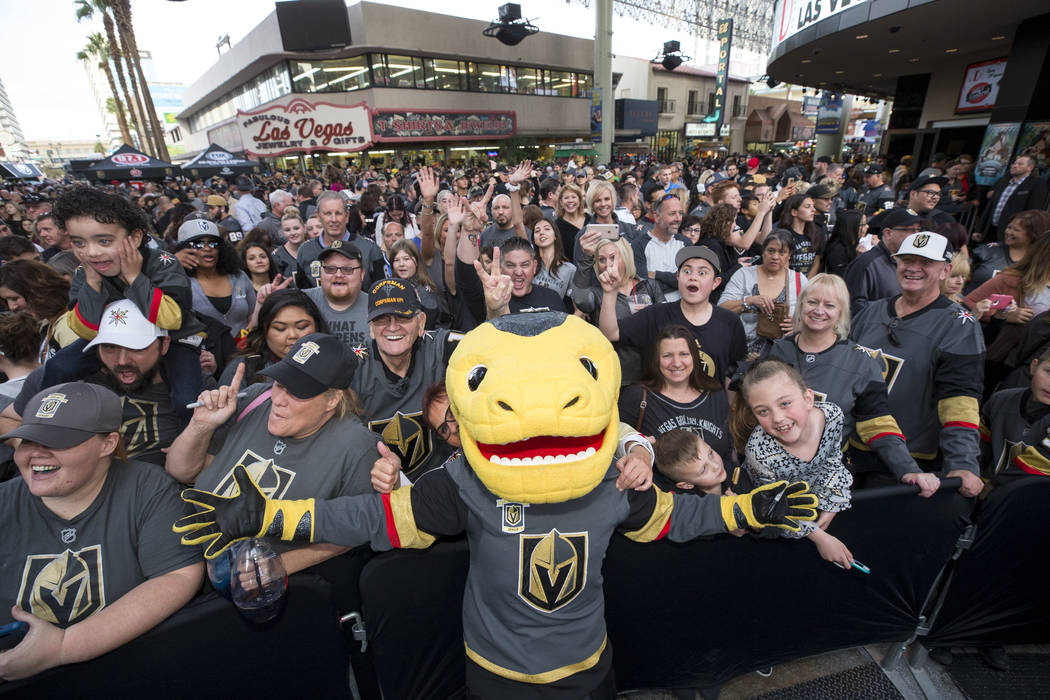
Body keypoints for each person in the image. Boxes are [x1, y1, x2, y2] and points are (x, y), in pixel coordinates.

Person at [175, 311, 819, 700]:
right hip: (496, 674)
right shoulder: (466, 483)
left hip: (590, 666)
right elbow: (375, 519)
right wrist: (272, 516)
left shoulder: (612, 480)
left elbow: (677, 519)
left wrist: (748, 510)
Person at [0, 382, 202, 681]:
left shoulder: (148, 490)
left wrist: (65, 646)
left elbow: (178, 575)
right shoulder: (5, 503)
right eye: (28, 440)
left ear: (108, 444)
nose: (36, 454)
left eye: (57, 441)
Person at [166, 333, 378, 578]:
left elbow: (357, 527)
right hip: (181, 552)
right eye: (280, 383)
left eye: (297, 392)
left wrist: (276, 566)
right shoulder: (257, 398)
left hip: (245, 585)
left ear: (332, 400)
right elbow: (179, 470)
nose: (278, 400)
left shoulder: (357, 445)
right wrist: (201, 426)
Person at [765, 274, 939, 497]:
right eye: (812, 302)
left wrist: (909, 469)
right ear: (800, 305)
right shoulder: (780, 350)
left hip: (823, 482)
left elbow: (877, 424)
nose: (819, 310)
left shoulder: (861, 362)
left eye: (829, 305)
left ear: (841, 313)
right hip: (771, 472)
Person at [48, 187, 205, 424]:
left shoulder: (163, 263)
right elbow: (86, 330)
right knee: (59, 367)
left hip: (172, 339)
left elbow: (171, 319)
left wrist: (134, 278)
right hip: (112, 342)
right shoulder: (84, 272)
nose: (91, 252)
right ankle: (51, 423)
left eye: (104, 241)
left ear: (134, 238)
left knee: (187, 400)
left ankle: (191, 445)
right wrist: (92, 283)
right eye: (79, 243)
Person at [851, 232, 985, 496]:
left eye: (925, 262)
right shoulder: (872, 311)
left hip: (909, 459)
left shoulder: (958, 325)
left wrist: (962, 462)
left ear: (945, 270)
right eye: (907, 260)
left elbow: (960, 399)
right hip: (851, 448)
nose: (913, 268)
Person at [2, 299, 204, 467]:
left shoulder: (194, 386)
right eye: (109, 347)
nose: (123, 360)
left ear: (164, 344)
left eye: (137, 348)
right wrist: (36, 450)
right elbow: (8, 419)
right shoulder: (59, 377)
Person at [736, 360, 855, 568]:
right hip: (774, 518)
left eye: (785, 403)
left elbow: (832, 461)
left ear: (808, 398)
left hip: (815, 502)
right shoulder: (759, 452)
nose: (778, 418)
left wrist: (832, 503)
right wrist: (818, 536)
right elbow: (773, 506)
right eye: (763, 411)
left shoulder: (832, 416)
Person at [350, 278, 461, 479]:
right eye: (382, 319)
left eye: (402, 317)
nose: (392, 327)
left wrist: (497, 309)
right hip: (376, 486)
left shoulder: (441, 347)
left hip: (441, 480)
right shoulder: (352, 365)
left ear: (421, 323)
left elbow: (492, 349)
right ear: (371, 328)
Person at [600, 245, 746, 385]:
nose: (693, 277)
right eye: (687, 271)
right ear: (678, 277)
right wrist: (609, 293)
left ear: (716, 282)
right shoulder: (656, 315)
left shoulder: (730, 322)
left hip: (710, 408)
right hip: (661, 407)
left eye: (702, 273)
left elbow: (733, 374)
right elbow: (611, 333)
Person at [618, 325, 733, 466]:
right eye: (667, 356)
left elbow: (728, 450)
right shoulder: (638, 396)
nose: (677, 363)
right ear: (656, 359)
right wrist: (638, 448)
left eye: (684, 354)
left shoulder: (714, 392)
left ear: (694, 357)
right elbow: (616, 439)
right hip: (660, 487)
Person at [719, 230, 806, 356]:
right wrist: (749, 301)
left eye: (782, 252)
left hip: (783, 355)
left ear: (789, 255)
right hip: (742, 354)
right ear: (763, 251)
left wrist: (799, 325)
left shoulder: (799, 280)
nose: (775, 256)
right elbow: (721, 308)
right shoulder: (744, 274)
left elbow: (815, 314)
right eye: (771, 251)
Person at [220, 288, 327, 386]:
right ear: (264, 330)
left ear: (317, 326)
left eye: (302, 327)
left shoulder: (333, 362)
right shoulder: (242, 368)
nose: (293, 335)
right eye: (280, 328)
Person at [175, 219, 256, 340]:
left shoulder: (239, 276)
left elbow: (253, 314)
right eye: (198, 244)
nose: (207, 248)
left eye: (213, 243)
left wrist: (243, 340)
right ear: (183, 249)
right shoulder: (178, 281)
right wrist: (172, 264)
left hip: (243, 353)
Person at [297, 191, 385, 289]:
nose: (334, 219)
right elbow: (302, 297)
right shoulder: (305, 251)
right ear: (318, 216)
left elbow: (381, 293)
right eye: (328, 213)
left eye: (338, 213)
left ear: (346, 216)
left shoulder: (369, 249)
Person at [844, 208, 922, 316]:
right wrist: (893, 308)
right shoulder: (866, 263)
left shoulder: (914, 262)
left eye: (919, 230)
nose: (916, 235)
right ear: (888, 233)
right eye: (910, 230)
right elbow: (854, 306)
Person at [0, 259, 77, 362]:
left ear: (38, 290)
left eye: (15, 298)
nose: (12, 307)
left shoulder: (69, 325)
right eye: (6, 300)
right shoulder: (47, 323)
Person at [303, 242, 370, 349]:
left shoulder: (376, 307)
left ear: (362, 274)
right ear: (320, 272)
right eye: (330, 269)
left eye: (348, 269)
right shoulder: (301, 301)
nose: (338, 275)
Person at [967, 210, 1050, 293]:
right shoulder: (989, 250)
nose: (1008, 232)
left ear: (1033, 235)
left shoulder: (1037, 265)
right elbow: (962, 273)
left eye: (1016, 230)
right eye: (1009, 227)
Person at [978, 155, 1048, 243]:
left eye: (1020, 164)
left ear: (1029, 168)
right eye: (1014, 163)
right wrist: (980, 229)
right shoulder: (1003, 182)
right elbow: (990, 206)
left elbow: (1033, 211)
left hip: (1012, 234)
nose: (1015, 165)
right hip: (990, 230)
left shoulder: (1037, 184)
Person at [389, 238, 444, 329]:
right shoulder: (389, 287)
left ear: (417, 261)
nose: (401, 264)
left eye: (406, 259)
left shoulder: (425, 287)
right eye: (396, 260)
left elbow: (430, 321)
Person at [776, 194, 822, 278]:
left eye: (813, 206)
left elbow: (816, 260)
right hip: (789, 281)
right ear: (794, 212)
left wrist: (807, 283)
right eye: (808, 206)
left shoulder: (815, 232)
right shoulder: (783, 234)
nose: (813, 210)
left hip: (808, 283)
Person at [823, 209, 866, 277]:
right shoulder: (837, 250)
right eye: (863, 225)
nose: (867, 227)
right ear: (851, 226)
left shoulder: (857, 243)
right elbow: (845, 277)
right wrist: (859, 258)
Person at [271, 207, 307, 281]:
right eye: (287, 230)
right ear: (283, 232)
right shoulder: (278, 256)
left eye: (296, 228)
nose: (293, 233)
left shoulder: (314, 248)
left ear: (304, 228)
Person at [554, 183, 587, 254]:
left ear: (580, 200)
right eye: (566, 198)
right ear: (561, 202)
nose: (570, 200)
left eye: (574, 197)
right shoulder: (556, 226)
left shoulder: (590, 219)